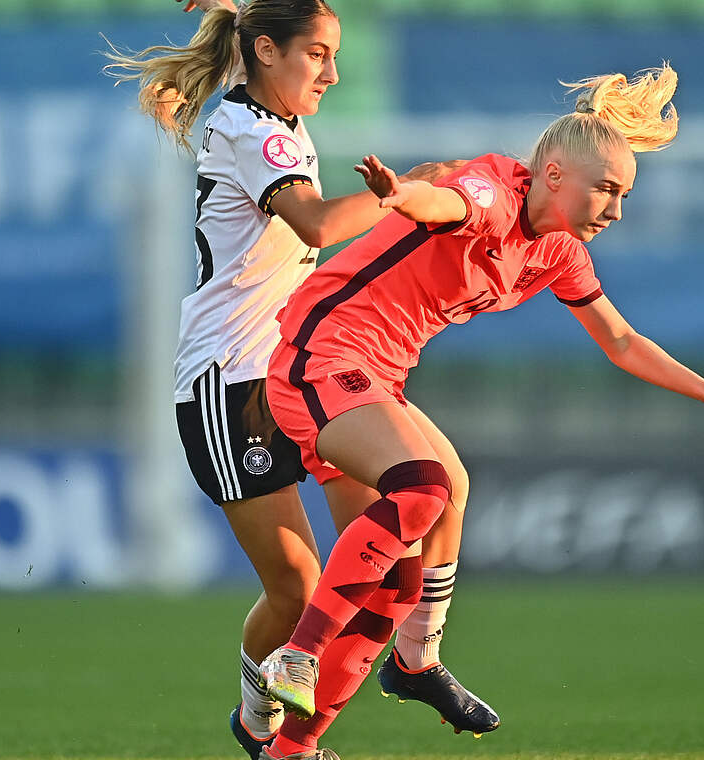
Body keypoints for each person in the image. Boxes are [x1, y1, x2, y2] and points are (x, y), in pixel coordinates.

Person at [253, 64, 704, 760]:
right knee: (426, 488)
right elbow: (447, 206)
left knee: (404, 568)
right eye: (608, 190)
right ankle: (299, 657)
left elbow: (619, 340)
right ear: (554, 175)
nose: (616, 210)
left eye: (623, 195)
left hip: (374, 378)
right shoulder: (495, 189)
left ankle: (310, 736)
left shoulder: (558, 249)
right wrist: (404, 194)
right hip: (318, 355)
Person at [101, 2, 497, 757]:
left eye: (333, 54)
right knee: (298, 586)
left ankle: (415, 661)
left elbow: (266, 35)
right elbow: (316, 224)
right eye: (317, 53)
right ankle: (259, 726)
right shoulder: (248, 129)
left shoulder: (274, 120)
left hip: (302, 371)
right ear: (266, 52)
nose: (332, 72)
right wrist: (402, 190)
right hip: (231, 383)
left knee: (408, 520)